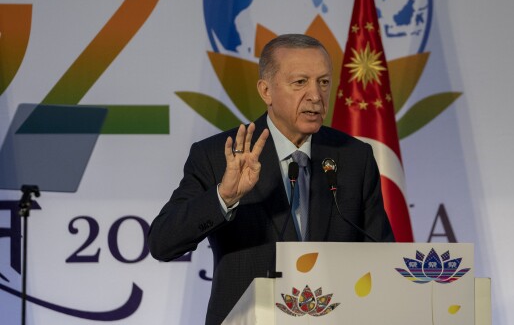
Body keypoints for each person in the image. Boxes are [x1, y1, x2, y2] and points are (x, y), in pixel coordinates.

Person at [148, 34, 394, 325]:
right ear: (266, 91)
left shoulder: (354, 157)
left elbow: (381, 256)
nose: (316, 95)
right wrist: (224, 197)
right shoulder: (219, 155)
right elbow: (162, 243)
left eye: (324, 82)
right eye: (300, 82)